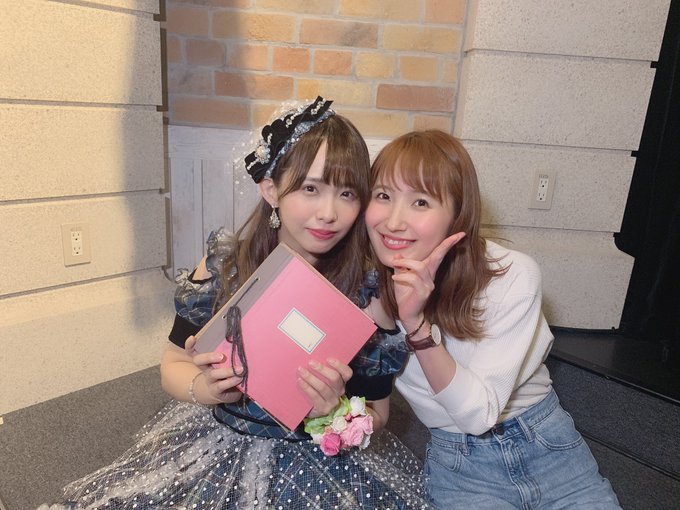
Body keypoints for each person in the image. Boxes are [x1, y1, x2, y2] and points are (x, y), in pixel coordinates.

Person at [40, 98, 430, 510]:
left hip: (318, 460)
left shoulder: (367, 294)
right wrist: (205, 388)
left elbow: (379, 413)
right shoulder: (225, 267)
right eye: (310, 188)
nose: (329, 213)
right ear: (271, 189)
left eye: (347, 193)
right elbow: (173, 363)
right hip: (221, 441)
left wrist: (337, 412)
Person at [365, 130, 621, 509]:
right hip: (460, 470)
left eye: (420, 201)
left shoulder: (511, 274)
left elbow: (479, 412)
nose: (394, 221)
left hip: (549, 450)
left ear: (458, 213)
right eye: (383, 196)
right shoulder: (366, 295)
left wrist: (416, 325)